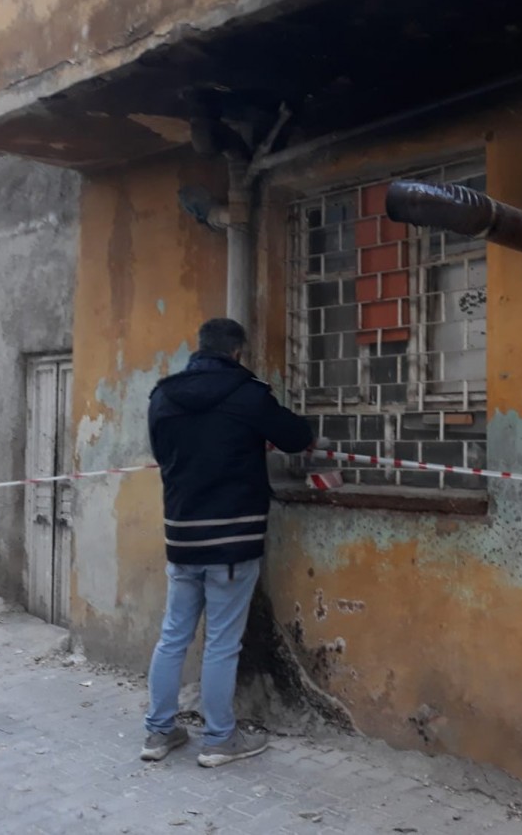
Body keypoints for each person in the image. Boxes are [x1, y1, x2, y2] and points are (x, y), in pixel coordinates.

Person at [141, 317, 313, 767]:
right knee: (221, 643)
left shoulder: (162, 396)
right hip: (234, 541)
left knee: (173, 636)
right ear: (237, 352)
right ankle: (219, 739)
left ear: (198, 348)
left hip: (182, 537)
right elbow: (297, 437)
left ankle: (159, 733)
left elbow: (162, 454)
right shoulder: (248, 394)